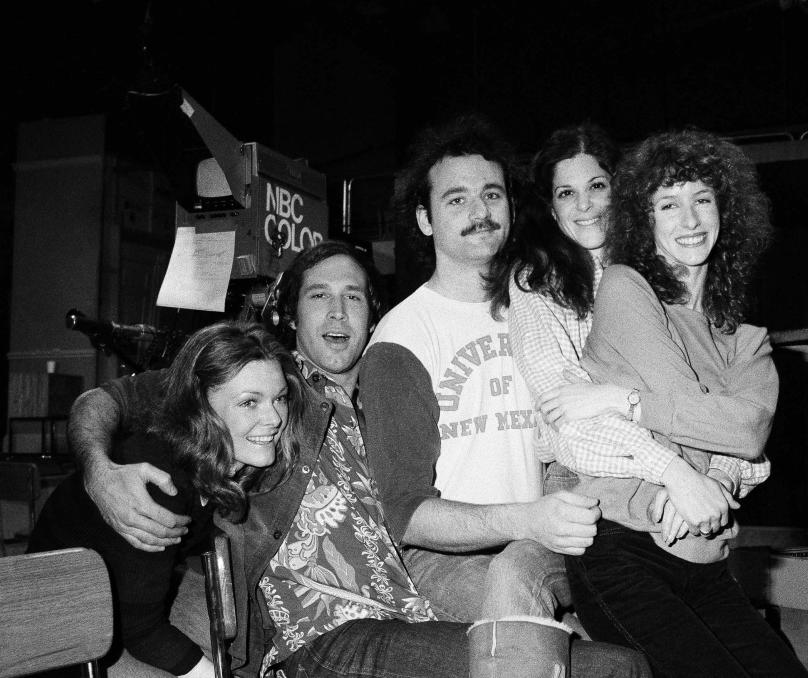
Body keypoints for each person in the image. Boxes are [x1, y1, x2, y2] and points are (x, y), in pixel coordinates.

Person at [68, 240, 647, 678]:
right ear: (292, 314)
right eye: (319, 296)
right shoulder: (258, 380)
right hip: (322, 635)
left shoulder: (391, 391)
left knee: (616, 660)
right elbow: (103, 400)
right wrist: (98, 469)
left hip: (414, 609)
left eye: (354, 298)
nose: (338, 314)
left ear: (374, 314)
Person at [359, 116, 633, 671]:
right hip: (451, 560)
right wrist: (526, 519)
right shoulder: (402, 337)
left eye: (491, 194)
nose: (480, 212)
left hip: (556, 537)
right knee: (598, 661)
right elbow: (405, 515)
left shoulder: (544, 302)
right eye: (455, 199)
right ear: (424, 219)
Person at [548, 129, 808, 677]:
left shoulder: (747, 338)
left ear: (726, 211)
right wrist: (699, 472)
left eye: (702, 200)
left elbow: (749, 432)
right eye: (669, 204)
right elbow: (688, 404)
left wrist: (624, 401)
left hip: (706, 557)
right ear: (645, 220)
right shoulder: (624, 287)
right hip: (622, 548)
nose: (689, 221)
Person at [489, 123, 769, 548]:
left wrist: (711, 475)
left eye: (598, 185)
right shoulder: (537, 279)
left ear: (624, 194)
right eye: (566, 193)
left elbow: (724, 409)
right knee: (518, 578)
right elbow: (565, 410)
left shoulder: (670, 265)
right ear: (551, 208)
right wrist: (675, 473)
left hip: (684, 462)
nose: (585, 204)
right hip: (590, 468)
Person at [29, 321, 302, 677]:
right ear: (201, 409)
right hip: (59, 638)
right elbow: (141, 629)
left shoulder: (223, 462)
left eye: (278, 398)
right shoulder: (159, 481)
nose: (274, 417)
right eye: (250, 402)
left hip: (118, 614)